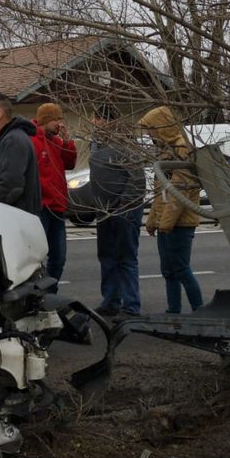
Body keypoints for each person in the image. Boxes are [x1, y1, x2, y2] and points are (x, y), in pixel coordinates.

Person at [139, 104, 204, 314]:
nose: (148, 134)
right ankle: (173, 310)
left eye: (151, 128)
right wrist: (152, 221)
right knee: (168, 271)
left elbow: (180, 191)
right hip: (166, 223)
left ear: (161, 126)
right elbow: (161, 191)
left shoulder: (182, 148)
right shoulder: (164, 150)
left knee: (181, 269)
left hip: (181, 222)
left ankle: (199, 310)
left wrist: (164, 224)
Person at [90, 103, 145, 318]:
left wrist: (123, 205)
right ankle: (111, 301)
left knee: (126, 258)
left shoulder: (126, 143)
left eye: (98, 118)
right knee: (106, 256)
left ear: (110, 121)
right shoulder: (95, 144)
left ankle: (131, 305)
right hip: (103, 211)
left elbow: (137, 180)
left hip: (125, 211)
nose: (94, 123)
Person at [31, 102, 78, 286]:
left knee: (59, 257)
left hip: (57, 206)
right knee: (37, 257)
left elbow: (70, 163)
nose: (60, 123)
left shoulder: (56, 141)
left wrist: (68, 143)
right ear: (46, 120)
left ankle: (49, 294)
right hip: (42, 207)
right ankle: (38, 296)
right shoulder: (33, 140)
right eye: (57, 119)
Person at [0, 92, 41, 214]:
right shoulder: (4, 139)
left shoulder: (13, 140)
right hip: (11, 215)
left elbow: (12, 186)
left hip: (16, 218)